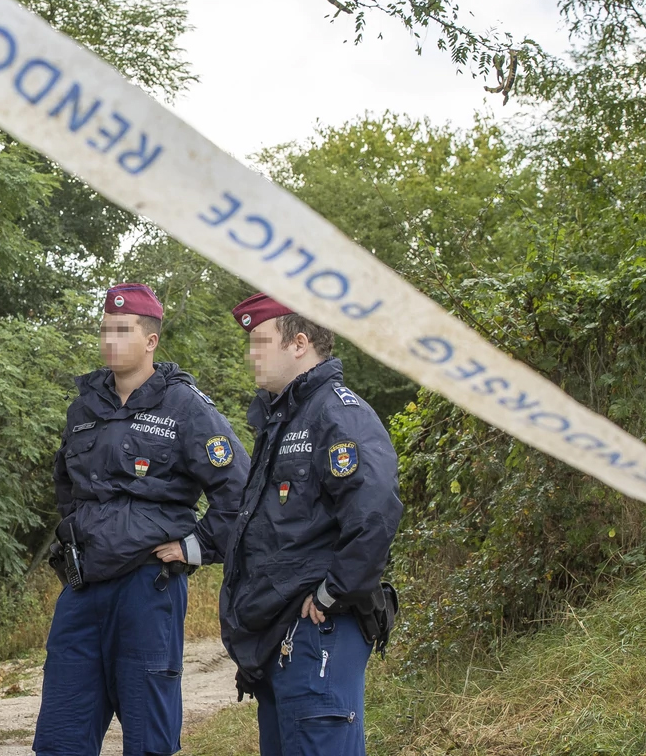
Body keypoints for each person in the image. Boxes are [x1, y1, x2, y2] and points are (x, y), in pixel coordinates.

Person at [34, 283, 251, 756]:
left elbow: (239, 491)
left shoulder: (185, 407)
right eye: (104, 330)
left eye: (122, 330)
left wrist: (194, 546)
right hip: (83, 587)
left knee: (148, 736)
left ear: (151, 340)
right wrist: (81, 535)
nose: (109, 340)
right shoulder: (84, 407)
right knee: (60, 736)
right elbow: (67, 486)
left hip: (147, 586)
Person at [219, 293, 403, 756]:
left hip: (319, 630)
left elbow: (375, 510)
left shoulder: (338, 413)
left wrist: (333, 590)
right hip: (279, 637)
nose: (251, 354)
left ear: (299, 343)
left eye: (261, 341)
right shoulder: (282, 421)